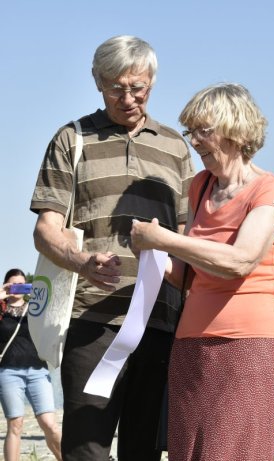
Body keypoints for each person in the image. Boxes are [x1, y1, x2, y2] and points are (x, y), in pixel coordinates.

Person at [30, 35, 195, 460]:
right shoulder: (72, 139)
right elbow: (46, 229)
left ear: (152, 83)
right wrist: (81, 261)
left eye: (137, 87)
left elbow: (187, 234)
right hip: (90, 320)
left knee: (144, 451)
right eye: (114, 87)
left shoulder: (177, 147)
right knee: (86, 450)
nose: (127, 98)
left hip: (160, 320)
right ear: (97, 82)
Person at [130, 82, 274, 460]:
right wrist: (149, 250)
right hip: (192, 341)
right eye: (191, 131)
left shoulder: (270, 190)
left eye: (204, 131)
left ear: (236, 129)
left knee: (231, 451)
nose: (195, 141)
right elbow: (188, 273)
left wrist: (165, 239)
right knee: (189, 451)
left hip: (250, 342)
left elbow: (240, 261)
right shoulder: (200, 187)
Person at [0, 269, 62, 461]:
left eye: (21, 284)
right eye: (12, 284)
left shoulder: (36, 308)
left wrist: (39, 293)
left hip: (38, 370)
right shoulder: (1, 310)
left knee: (49, 424)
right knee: (15, 424)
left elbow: (56, 315)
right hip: (8, 371)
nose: (16, 288)